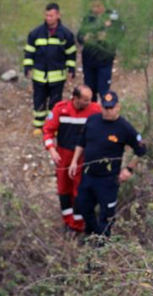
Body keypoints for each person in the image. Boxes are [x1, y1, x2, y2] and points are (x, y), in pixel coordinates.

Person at [68, 91, 145, 237]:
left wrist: (129, 169)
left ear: (118, 107)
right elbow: (81, 142)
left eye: (111, 108)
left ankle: (102, 244)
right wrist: (73, 161)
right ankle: (91, 233)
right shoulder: (92, 120)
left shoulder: (124, 127)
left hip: (108, 180)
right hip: (88, 175)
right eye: (105, 108)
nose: (107, 111)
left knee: (106, 215)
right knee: (83, 207)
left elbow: (141, 149)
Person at [42, 84, 101, 232]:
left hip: (83, 156)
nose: (89, 102)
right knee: (63, 189)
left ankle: (78, 224)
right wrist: (51, 150)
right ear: (76, 98)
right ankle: (68, 222)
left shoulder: (94, 110)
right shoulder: (61, 109)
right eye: (86, 100)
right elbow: (48, 130)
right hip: (63, 154)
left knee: (79, 190)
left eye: (90, 99)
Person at [23, 3, 77, 136]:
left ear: (58, 15)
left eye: (51, 15)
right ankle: (38, 126)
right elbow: (29, 51)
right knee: (39, 100)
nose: (49, 18)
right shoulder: (36, 33)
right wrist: (27, 66)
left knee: (55, 102)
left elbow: (71, 53)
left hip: (57, 76)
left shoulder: (66, 34)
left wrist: (71, 68)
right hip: (39, 76)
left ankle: (52, 126)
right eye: (47, 15)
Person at [77, 0, 123, 102]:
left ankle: (105, 113)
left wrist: (107, 37)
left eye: (98, 6)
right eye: (93, 6)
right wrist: (84, 38)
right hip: (89, 60)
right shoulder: (88, 18)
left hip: (104, 60)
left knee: (104, 92)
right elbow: (79, 36)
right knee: (89, 91)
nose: (95, 9)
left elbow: (120, 34)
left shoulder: (112, 17)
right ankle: (92, 115)